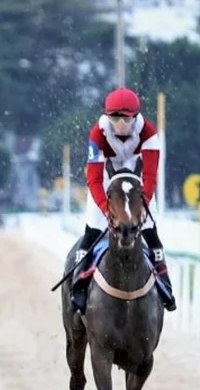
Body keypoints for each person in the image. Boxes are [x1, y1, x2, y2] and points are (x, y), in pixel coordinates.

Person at [70, 87, 176, 313]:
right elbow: (95, 179)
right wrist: (104, 209)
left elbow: (149, 175)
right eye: (114, 118)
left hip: (137, 181)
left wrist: (142, 205)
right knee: (90, 234)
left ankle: (165, 284)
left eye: (125, 118)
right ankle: (78, 285)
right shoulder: (98, 134)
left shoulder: (148, 133)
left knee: (151, 234)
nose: (120, 124)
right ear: (107, 116)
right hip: (106, 181)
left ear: (135, 117)